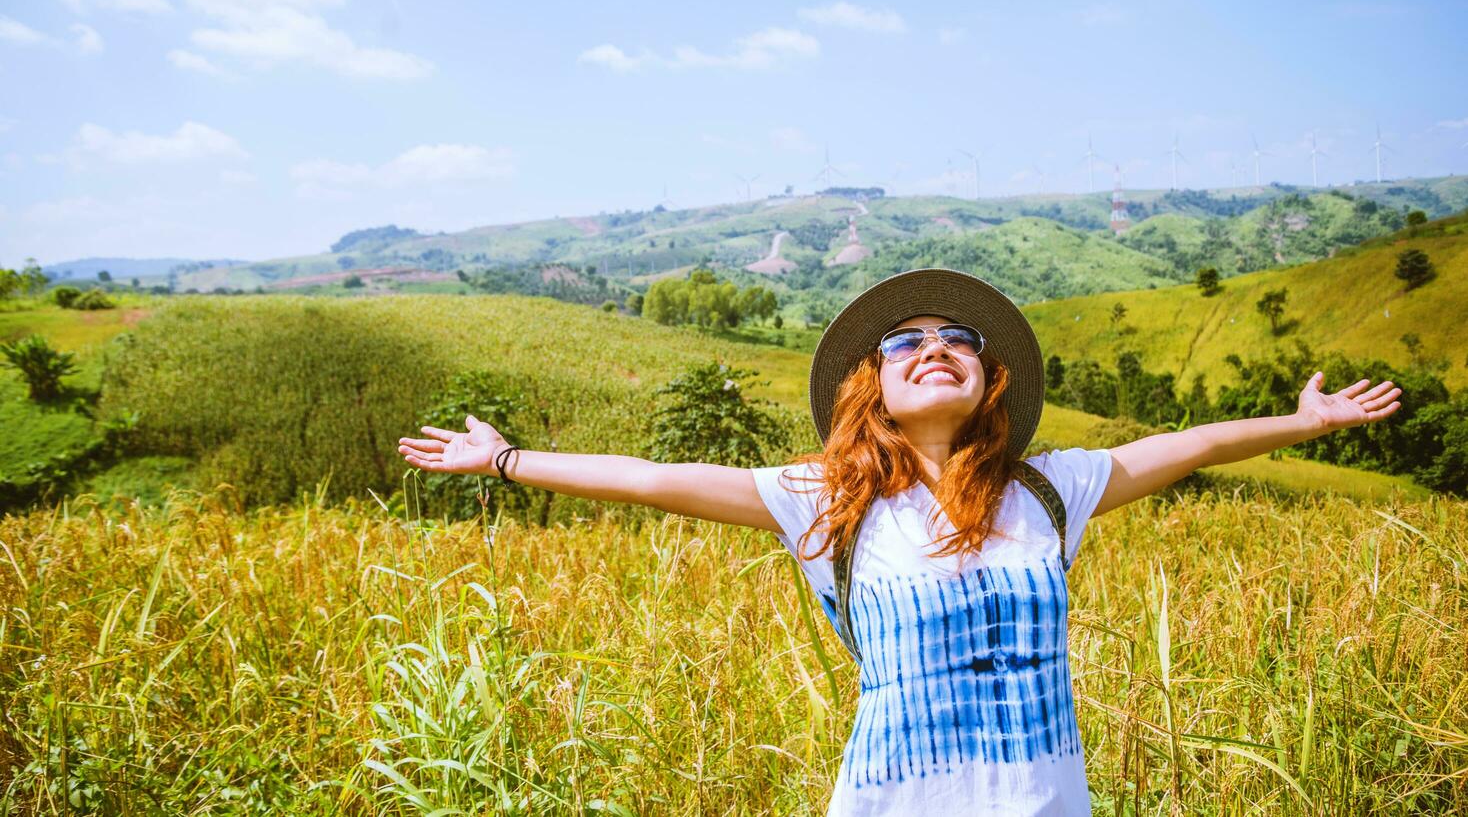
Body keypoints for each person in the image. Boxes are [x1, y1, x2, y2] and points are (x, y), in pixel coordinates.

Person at [397, 268, 1401, 816]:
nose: (935, 347)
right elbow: (657, 480)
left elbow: (1185, 445)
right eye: (905, 340)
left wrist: (1303, 426)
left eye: (958, 337)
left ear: (987, 377)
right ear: (868, 384)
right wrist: (506, 459)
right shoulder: (822, 497)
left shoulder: (1053, 488)